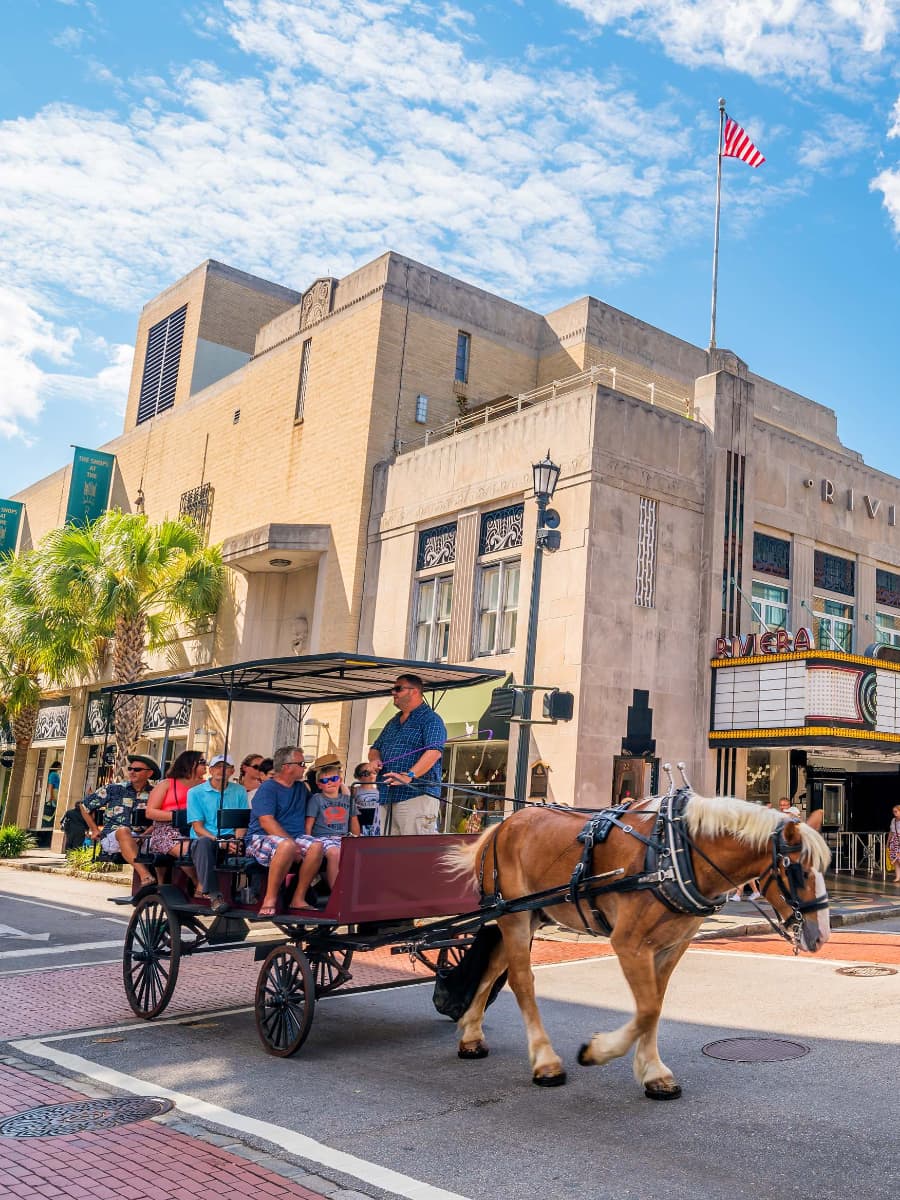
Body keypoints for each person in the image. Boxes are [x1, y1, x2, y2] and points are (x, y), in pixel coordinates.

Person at [246, 746, 323, 915]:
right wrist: (294, 844)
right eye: (301, 763)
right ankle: (270, 898)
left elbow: (316, 809)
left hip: (291, 838)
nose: (305, 767)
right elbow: (266, 822)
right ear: (287, 766)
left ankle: (298, 898)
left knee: (317, 846)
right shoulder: (268, 788)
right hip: (261, 838)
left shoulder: (301, 788)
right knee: (287, 846)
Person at [369, 674, 447, 835]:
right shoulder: (393, 722)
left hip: (415, 796)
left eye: (398, 688)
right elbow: (375, 748)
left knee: (413, 853)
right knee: (389, 853)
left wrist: (409, 775)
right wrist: (375, 759)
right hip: (388, 796)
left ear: (414, 691)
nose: (393, 692)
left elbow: (434, 752)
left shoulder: (431, 720)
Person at [79, 755, 160, 888]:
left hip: (143, 839)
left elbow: (157, 821)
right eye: (130, 768)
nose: (132, 772)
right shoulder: (114, 789)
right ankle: (144, 875)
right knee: (124, 831)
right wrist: (94, 829)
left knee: (169, 846)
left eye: (137, 769)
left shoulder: (155, 793)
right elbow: (84, 806)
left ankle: (162, 887)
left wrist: (144, 836)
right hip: (113, 838)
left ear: (149, 773)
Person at [187, 753, 249, 912]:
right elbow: (198, 827)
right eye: (217, 767)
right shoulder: (195, 792)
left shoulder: (240, 791)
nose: (221, 770)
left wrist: (236, 841)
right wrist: (220, 842)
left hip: (231, 838)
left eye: (226, 767)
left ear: (232, 771)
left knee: (257, 844)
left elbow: (241, 822)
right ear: (210, 769)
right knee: (204, 843)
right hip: (206, 838)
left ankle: (253, 892)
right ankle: (214, 894)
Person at [144, 750, 207, 875]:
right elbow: (150, 812)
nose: (206, 765)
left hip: (197, 827)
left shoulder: (206, 786)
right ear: (190, 764)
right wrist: (179, 816)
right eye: (202, 762)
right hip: (167, 829)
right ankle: (199, 885)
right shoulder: (167, 784)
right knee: (186, 851)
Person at [305, 763, 360, 887]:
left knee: (361, 852)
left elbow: (354, 820)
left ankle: (355, 888)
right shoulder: (316, 799)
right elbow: (309, 823)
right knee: (334, 853)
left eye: (334, 779)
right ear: (319, 785)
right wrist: (308, 842)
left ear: (340, 780)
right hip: (323, 838)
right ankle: (336, 891)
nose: (329, 782)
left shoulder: (347, 799)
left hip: (344, 837)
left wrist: (357, 838)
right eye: (324, 780)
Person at [350, 762, 381, 836]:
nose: (371, 775)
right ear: (358, 776)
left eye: (374, 771)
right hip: (361, 822)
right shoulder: (355, 790)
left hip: (375, 822)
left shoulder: (379, 790)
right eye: (366, 773)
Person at [889, 804, 900, 884]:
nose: (894, 813)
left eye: (896, 811)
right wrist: (888, 842)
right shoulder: (893, 820)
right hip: (894, 841)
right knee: (895, 861)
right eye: (893, 811)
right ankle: (897, 876)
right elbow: (891, 832)